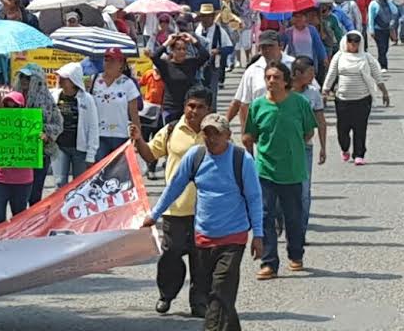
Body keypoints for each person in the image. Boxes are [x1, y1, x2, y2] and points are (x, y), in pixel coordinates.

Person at [142, 113, 263, 330]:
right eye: (206, 133)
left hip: (233, 237)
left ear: (227, 135)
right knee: (215, 292)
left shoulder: (241, 159)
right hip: (203, 236)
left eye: (216, 134)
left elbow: (254, 198)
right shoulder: (195, 156)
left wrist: (259, 236)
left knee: (221, 289)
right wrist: (155, 214)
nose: (210, 138)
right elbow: (175, 186)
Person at [131, 87, 214, 317]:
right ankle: (166, 295)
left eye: (199, 107)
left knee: (201, 260)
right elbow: (150, 156)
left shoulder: (215, 132)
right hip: (174, 208)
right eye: (190, 105)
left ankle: (199, 303)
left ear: (209, 109)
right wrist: (138, 140)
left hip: (206, 210)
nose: (193, 111)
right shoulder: (171, 129)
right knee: (171, 255)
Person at [242, 61, 316, 281]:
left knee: (293, 216)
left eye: (276, 77)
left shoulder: (299, 103)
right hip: (265, 170)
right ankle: (269, 263)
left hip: (292, 170)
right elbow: (250, 136)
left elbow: (308, 132)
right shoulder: (257, 106)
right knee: (265, 216)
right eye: (268, 77)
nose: (271, 81)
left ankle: (296, 254)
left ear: (286, 82)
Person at [322, 31, 390, 165]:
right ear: (345, 42)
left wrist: (384, 92)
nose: (353, 45)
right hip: (343, 99)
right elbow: (331, 75)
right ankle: (345, 148)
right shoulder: (339, 57)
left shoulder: (366, 58)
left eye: (356, 43)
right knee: (343, 128)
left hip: (362, 99)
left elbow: (377, 75)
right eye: (350, 42)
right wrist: (325, 92)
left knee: (360, 127)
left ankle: (359, 154)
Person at [13, 64, 63, 205]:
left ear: (37, 79)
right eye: (22, 76)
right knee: (18, 193)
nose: (23, 80)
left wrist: (46, 134)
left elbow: (58, 124)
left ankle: (34, 225)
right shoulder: (13, 96)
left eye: (28, 77)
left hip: (40, 152)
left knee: (34, 193)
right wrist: (0, 106)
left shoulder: (47, 101)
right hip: (18, 152)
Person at [225, 30, 294, 132]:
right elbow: (242, 103)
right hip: (262, 128)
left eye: (270, 46)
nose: (267, 50)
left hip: (291, 126)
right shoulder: (252, 70)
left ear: (281, 46)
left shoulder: (293, 65)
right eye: (263, 47)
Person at [290, 57, 327, 238]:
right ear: (297, 74)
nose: (313, 75)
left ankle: (300, 232)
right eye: (309, 72)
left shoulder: (313, 93)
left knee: (304, 191)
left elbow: (320, 121)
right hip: (283, 149)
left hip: (305, 148)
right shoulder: (283, 91)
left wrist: (323, 147)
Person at [0, 91, 35, 224]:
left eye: (14, 107)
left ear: (21, 108)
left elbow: (35, 143)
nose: (10, 110)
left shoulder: (29, 124)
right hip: (0, 177)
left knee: (19, 218)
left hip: (22, 180)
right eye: (7, 106)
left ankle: (17, 244)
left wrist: (42, 138)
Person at [51, 62, 99, 187]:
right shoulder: (54, 96)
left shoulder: (87, 99)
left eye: (64, 78)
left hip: (80, 150)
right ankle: (61, 207)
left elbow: (93, 127)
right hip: (59, 147)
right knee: (60, 183)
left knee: (80, 186)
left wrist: (91, 155)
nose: (60, 80)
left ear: (73, 81)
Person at [147, 32, 210, 125]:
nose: (182, 52)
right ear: (172, 51)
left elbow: (205, 55)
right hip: (170, 108)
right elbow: (154, 56)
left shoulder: (191, 63)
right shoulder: (166, 65)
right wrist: (167, 42)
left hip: (187, 107)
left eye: (184, 49)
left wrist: (193, 40)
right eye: (178, 49)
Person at [91, 47, 142, 161]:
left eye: (112, 60)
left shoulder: (128, 84)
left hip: (121, 136)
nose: (108, 63)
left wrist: (138, 140)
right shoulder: (94, 80)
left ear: (121, 63)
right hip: (99, 136)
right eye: (106, 59)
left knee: (117, 175)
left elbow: (134, 114)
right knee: (100, 173)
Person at [194, 3, 233, 105]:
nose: (205, 19)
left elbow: (229, 48)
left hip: (213, 67)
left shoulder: (219, 31)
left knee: (211, 93)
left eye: (208, 16)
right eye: (203, 16)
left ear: (213, 17)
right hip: (198, 66)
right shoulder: (196, 30)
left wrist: (218, 51)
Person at [368, 0, 400, 72]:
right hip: (377, 29)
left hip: (387, 29)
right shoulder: (373, 4)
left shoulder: (389, 3)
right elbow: (371, 18)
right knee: (381, 47)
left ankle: (380, 62)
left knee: (385, 47)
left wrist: (393, 21)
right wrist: (371, 30)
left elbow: (395, 12)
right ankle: (383, 66)